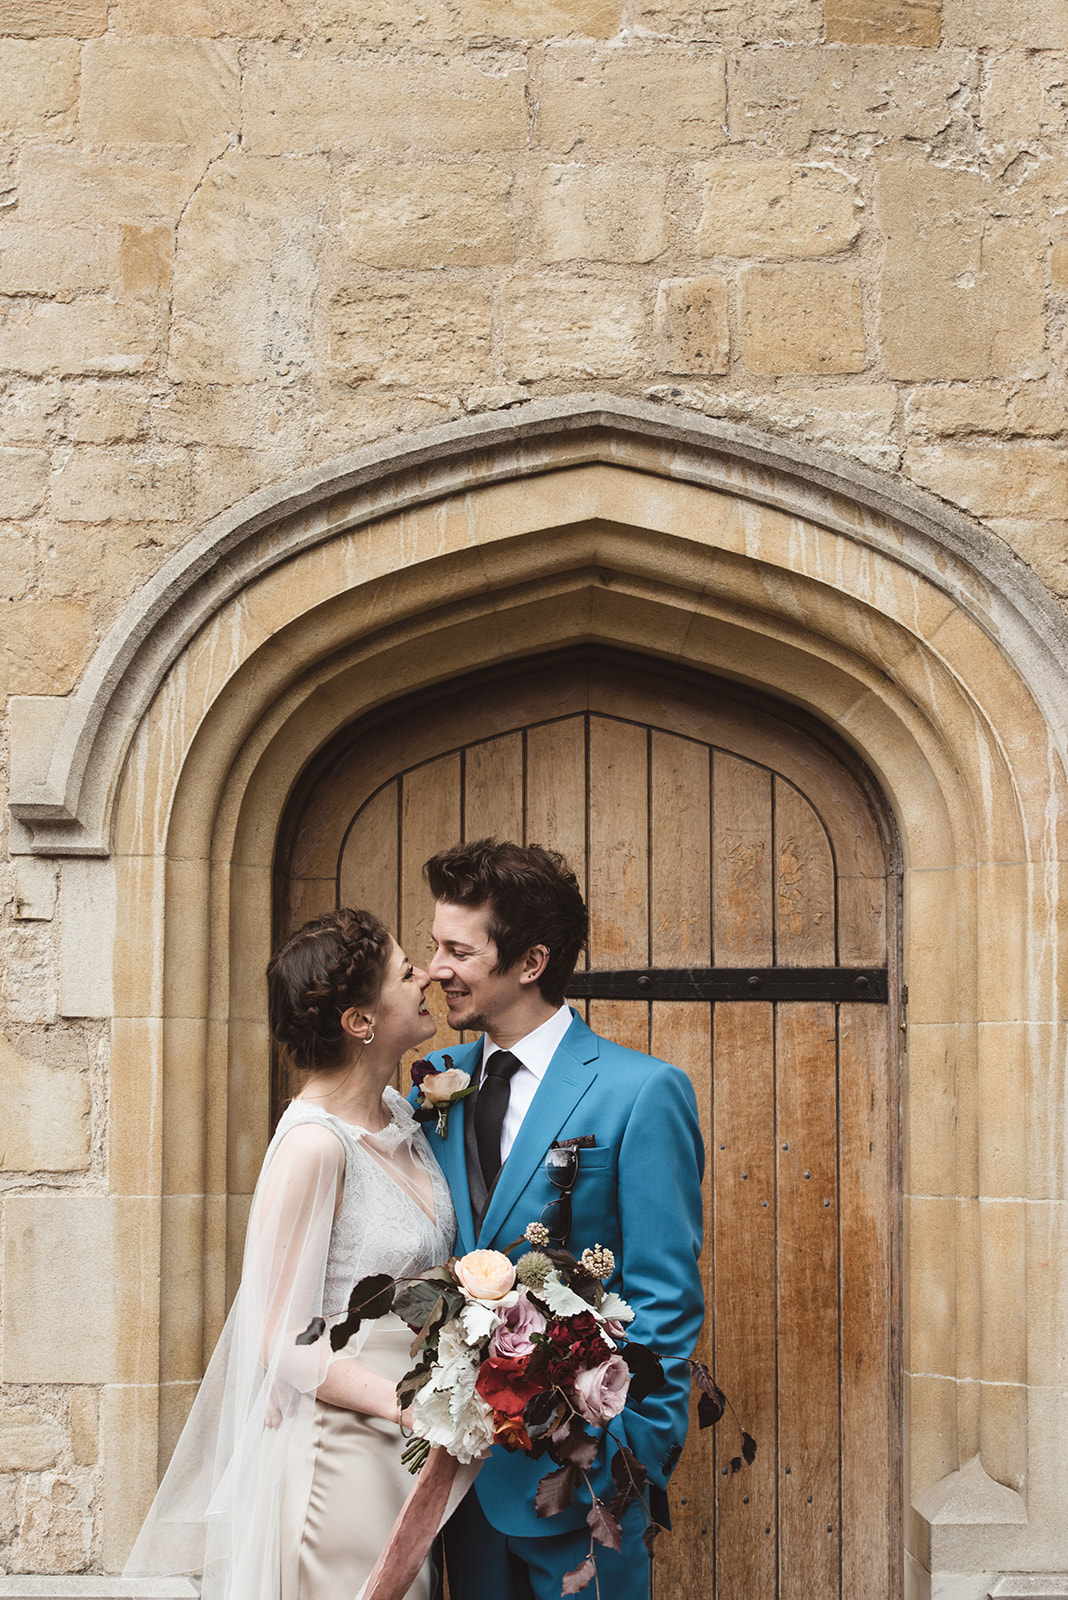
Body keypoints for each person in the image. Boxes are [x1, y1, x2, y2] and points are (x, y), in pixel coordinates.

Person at [124, 908, 455, 1600]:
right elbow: (281, 1339)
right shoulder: (313, 1146)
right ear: (360, 1022)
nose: (424, 974)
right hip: (342, 1451)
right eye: (404, 971)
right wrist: (409, 1404)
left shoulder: (400, 1114)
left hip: (409, 1447)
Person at [416, 838, 705, 1600]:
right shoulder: (430, 1092)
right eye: (434, 946)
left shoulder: (642, 1091)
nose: (436, 968)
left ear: (531, 962)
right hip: (458, 1486)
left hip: (582, 1489)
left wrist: (627, 1460)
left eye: (457, 949)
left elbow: (666, 1298)